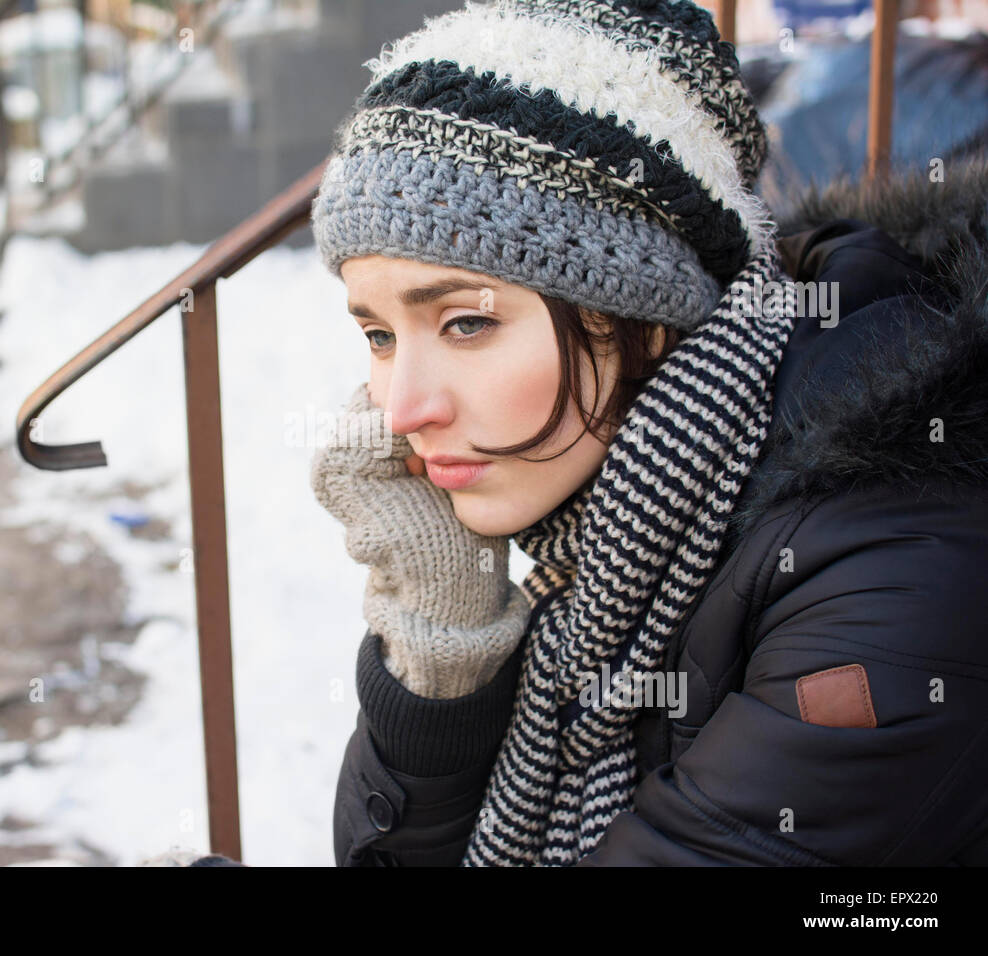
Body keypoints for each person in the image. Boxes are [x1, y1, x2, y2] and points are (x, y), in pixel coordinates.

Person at [303, 0, 988, 866]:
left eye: (467, 324)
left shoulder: (893, 573)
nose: (401, 410)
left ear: (646, 321)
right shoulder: (609, 533)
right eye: (378, 335)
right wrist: (441, 644)